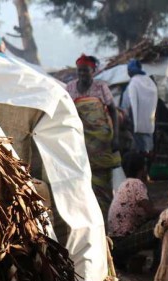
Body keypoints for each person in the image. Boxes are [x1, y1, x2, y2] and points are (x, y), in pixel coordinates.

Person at [66, 54, 120, 217]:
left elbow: (113, 111)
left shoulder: (101, 87)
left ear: (93, 71)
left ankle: (105, 216)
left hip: (102, 141)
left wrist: (115, 136)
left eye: (85, 71)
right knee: (83, 178)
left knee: (103, 180)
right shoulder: (70, 88)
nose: (82, 74)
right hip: (81, 141)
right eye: (79, 71)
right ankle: (88, 215)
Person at [108, 152, 162, 269]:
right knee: (163, 222)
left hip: (115, 243)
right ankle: (158, 267)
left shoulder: (124, 184)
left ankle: (156, 266)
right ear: (142, 169)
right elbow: (151, 211)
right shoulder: (136, 184)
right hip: (122, 243)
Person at [121, 59, 158, 154]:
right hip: (149, 125)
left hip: (135, 126)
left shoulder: (133, 84)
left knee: (136, 153)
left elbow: (129, 104)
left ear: (129, 71)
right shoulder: (150, 82)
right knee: (147, 150)